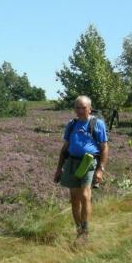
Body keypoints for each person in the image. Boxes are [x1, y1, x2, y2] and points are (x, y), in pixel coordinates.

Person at [53, 95, 109, 241]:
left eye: (83, 107)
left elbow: (104, 147)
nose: (79, 110)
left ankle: (85, 230)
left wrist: (100, 169)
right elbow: (64, 148)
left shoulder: (98, 124)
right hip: (71, 162)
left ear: (89, 108)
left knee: (85, 195)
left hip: (88, 163)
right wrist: (59, 169)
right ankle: (79, 230)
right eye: (77, 107)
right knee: (74, 198)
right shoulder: (71, 125)